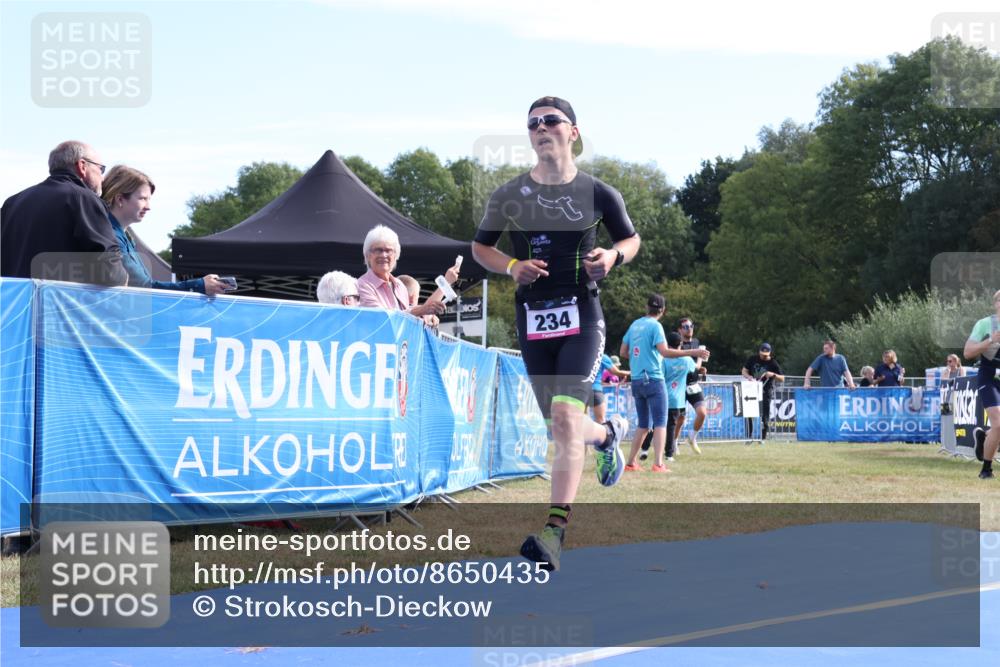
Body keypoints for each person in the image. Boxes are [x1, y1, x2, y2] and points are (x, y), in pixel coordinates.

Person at [471, 96, 643, 571]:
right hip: (533, 319)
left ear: (573, 132)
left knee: (566, 423)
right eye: (532, 124)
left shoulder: (599, 193)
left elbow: (631, 238)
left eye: (551, 121)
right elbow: (479, 246)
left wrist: (613, 256)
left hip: (582, 316)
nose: (541, 128)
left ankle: (554, 531)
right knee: (559, 424)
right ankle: (608, 437)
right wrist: (510, 265)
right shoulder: (508, 195)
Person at [1, 140, 125, 285]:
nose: (103, 178)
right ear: (82, 166)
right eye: (101, 169)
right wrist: (124, 278)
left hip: (13, 304)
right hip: (60, 304)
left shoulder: (13, 202)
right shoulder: (84, 199)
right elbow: (110, 271)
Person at [101, 165, 226, 294]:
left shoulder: (122, 236)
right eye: (143, 198)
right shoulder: (111, 236)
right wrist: (199, 285)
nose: (148, 207)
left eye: (149, 199)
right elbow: (143, 288)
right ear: (120, 199)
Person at [622, 295, 709, 470]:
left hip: (637, 380)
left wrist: (641, 355)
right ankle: (658, 464)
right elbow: (665, 352)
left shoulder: (634, 325)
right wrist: (693, 352)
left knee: (643, 424)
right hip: (653, 379)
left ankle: (631, 463)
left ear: (646, 307)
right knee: (661, 422)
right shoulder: (656, 326)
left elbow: (624, 352)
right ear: (662, 311)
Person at [357, 225, 447, 323]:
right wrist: (421, 310)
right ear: (367, 255)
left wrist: (427, 317)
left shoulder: (399, 286)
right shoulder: (361, 285)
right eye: (378, 250)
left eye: (388, 250)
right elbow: (381, 318)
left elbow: (407, 319)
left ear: (396, 255)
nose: (383, 255)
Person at [963, 289, 1000, 479]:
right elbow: (968, 352)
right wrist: (990, 341)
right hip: (990, 377)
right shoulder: (985, 324)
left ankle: (985, 438)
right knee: (999, 424)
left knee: (997, 428)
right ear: (995, 304)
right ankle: (986, 470)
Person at [672, 317, 708, 453]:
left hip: (693, 384)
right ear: (679, 330)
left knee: (702, 412)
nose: (690, 328)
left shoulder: (696, 342)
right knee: (680, 418)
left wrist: (701, 369)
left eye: (691, 325)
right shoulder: (677, 344)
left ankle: (692, 437)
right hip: (679, 385)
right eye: (686, 327)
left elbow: (695, 367)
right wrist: (699, 360)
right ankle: (674, 442)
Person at [662, 332, 698, 460]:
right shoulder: (687, 359)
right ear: (681, 344)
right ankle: (669, 454)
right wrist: (700, 358)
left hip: (663, 396)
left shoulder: (663, 359)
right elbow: (695, 368)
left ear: (667, 343)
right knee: (671, 426)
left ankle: (645, 449)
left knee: (657, 425)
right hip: (677, 399)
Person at [741, 342, 785, 441]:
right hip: (752, 389)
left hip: (766, 391)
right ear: (759, 352)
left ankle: (763, 438)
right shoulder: (752, 359)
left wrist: (772, 374)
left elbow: (782, 378)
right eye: (762, 354)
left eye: (766, 355)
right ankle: (748, 437)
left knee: (765, 415)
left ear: (770, 353)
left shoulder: (773, 363)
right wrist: (749, 377)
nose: (763, 357)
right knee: (749, 413)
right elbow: (744, 370)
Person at [590, 353, 629, 425]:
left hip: (583, 390)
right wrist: (633, 373)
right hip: (597, 391)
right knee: (601, 420)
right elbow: (617, 372)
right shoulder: (603, 358)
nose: (617, 366)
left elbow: (617, 383)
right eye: (616, 365)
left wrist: (622, 382)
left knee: (586, 418)